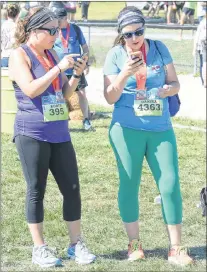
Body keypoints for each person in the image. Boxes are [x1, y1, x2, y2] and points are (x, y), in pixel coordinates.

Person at [103, 6, 194, 266]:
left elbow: (176, 83)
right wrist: (125, 73)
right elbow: (110, 97)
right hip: (126, 129)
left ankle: (176, 248)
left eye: (139, 32)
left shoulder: (158, 48)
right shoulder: (115, 55)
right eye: (129, 34)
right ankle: (134, 245)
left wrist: (168, 90)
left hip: (159, 128)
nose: (135, 38)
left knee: (170, 182)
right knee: (129, 184)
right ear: (121, 35)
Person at [8, 6, 96, 268]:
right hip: (32, 132)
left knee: (72, 188)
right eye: (51, 31)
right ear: (34, 31)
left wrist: (76, 73)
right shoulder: (19, 55)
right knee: (36, 190)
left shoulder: (51, 53)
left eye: (58, 30)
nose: (56, 35)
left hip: (59, 132)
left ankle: (75, 244)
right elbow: (32, 89)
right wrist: (58, 68)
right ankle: (40, 248)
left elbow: (65, 94)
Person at [53, 8, 93, 131]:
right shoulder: (53, 31)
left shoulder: (75, 29)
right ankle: (58, 123)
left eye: (60, 21)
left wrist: (85, 62)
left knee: (81, 93)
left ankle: (86, 120)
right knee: (59, 95)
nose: (58, 24)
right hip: (60, 69)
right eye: (57, 21)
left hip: (76, 69)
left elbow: (85, 48)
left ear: (66, 18)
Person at [1, 3, 20, 67]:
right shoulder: (16, 26)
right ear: (17, 14)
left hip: (4, 56)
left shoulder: (3, 25)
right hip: (14, 56)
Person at [193, 14, 207, 87]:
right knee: (204, 64)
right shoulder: (203, 22)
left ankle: (204, 81)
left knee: (203, 64)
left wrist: (194, 48)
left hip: (201, 44)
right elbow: (197, 35)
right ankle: (204, 81)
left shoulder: (202, 22)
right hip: (203, 44)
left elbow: (197, 35)